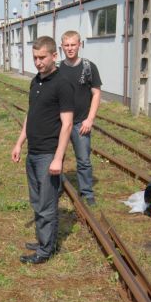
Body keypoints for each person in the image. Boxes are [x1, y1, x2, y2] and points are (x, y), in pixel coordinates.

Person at [11, 36, 74, 264]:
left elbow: (67, 124)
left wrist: (58, 158)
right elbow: (31, 114)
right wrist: (19, 142)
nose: (37, 62)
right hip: (33, 151)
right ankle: (42, 240)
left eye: (42, 58)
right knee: (37, 200)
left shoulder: (62, 83)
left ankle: (46, 250)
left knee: (47, 204)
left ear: (53, 56)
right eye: (35, 58)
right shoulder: (35, 81)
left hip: (49, 153)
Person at [58, 30, 102, 206]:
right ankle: (57, 186)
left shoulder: (88, 67)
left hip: (80, 123)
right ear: (62, 47)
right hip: (60, 123)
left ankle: (86, 192)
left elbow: (96, 93)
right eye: (66, 45)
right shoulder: (57, 68)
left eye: (73, 45)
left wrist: (90, 119)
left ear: (80, 45)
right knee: (57, 156)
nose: (70, 48)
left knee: (83, 160)